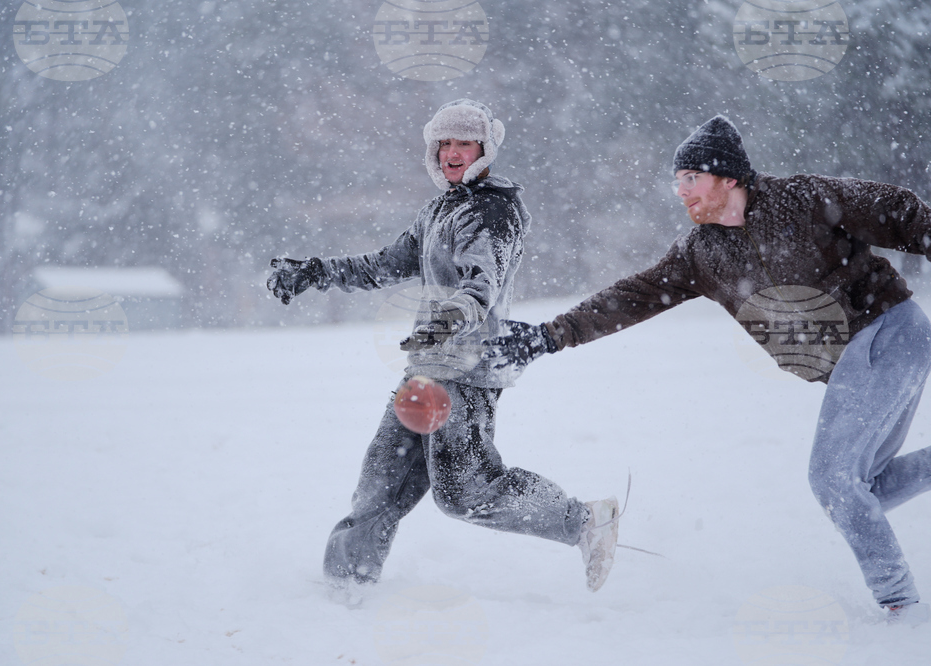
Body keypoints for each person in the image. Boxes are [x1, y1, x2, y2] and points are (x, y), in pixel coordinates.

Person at [485, 114, 931, 624]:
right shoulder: (702, 252)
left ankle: (900, 605)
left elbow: (899, 211)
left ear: (728, 176)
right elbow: (633, 295)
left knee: (833, 480)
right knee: (859, 489)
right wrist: (550, 335)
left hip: (885, 332)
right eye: (677, 182)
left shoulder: (802, 199)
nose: (681, 192)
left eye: (690, 179)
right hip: (862, 360)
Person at [266, 99, 619, 601]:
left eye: (464, 143)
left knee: (466, 494)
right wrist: (316, 271)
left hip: (469, 373)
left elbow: (482, 285)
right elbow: (384, 265)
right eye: (444, 144)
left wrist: (451, 317)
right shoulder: (440, 208)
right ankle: (345, 590)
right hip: (428, 370)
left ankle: (585, 521)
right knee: (380, 485)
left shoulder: (492, 210)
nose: (453, 153)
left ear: (484, 148)